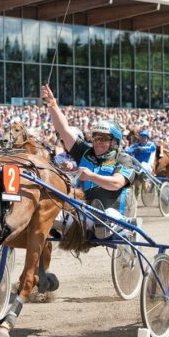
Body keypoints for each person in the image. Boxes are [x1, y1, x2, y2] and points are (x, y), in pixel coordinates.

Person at [41, 85, 137, 238]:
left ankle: (127, 228)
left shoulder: (123, 159)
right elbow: (64, 129)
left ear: (114, 142)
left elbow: (117, 183)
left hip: (111, 212)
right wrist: (52, 103)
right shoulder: (84, 151)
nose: (98, 142)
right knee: (46, 213)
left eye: (104, 138)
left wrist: (91, 176)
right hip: (83, 211)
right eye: (96, 138)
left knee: (107, 216)